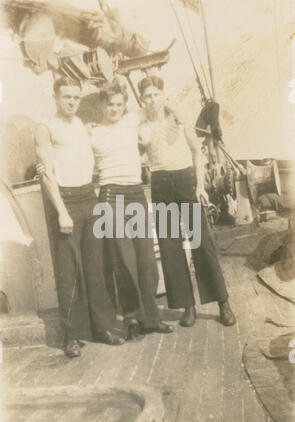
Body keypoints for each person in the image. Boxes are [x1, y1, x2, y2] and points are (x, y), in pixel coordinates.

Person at [35, 77, 125, 358]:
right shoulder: (44, 128)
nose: (72, 102)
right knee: (68, 271)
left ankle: (103, 327)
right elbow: (46, 173)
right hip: (66, 201)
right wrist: (61, 210)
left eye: (76, 97)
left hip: (89, 196)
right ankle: (71, 335)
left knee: (95, 267)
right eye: (67, 97)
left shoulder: (80, 125)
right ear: (55, 97)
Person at [138, 76, 237, 328]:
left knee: (201, 241)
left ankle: (223, 303)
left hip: (184, 180)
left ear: (162, 95)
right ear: (142, 100)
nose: (152, 99)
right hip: (160, 183)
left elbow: (197, 153)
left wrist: (200, 186)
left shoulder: (178, 118)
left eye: (156, 94)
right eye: (147, 96)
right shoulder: (141, 127)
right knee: (170, 247)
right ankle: (187, 307)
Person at [89, 81, 174, 340]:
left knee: (146, 260)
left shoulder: (131, 120)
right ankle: (131, 318)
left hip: (135, 194)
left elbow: (155, 104)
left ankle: (152, 317)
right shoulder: (91, 133)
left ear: (125, 105)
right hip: (109, 196)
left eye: (118, 104)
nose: (114, 108)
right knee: (123, 262)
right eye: (110, 104)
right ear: (102, 105)